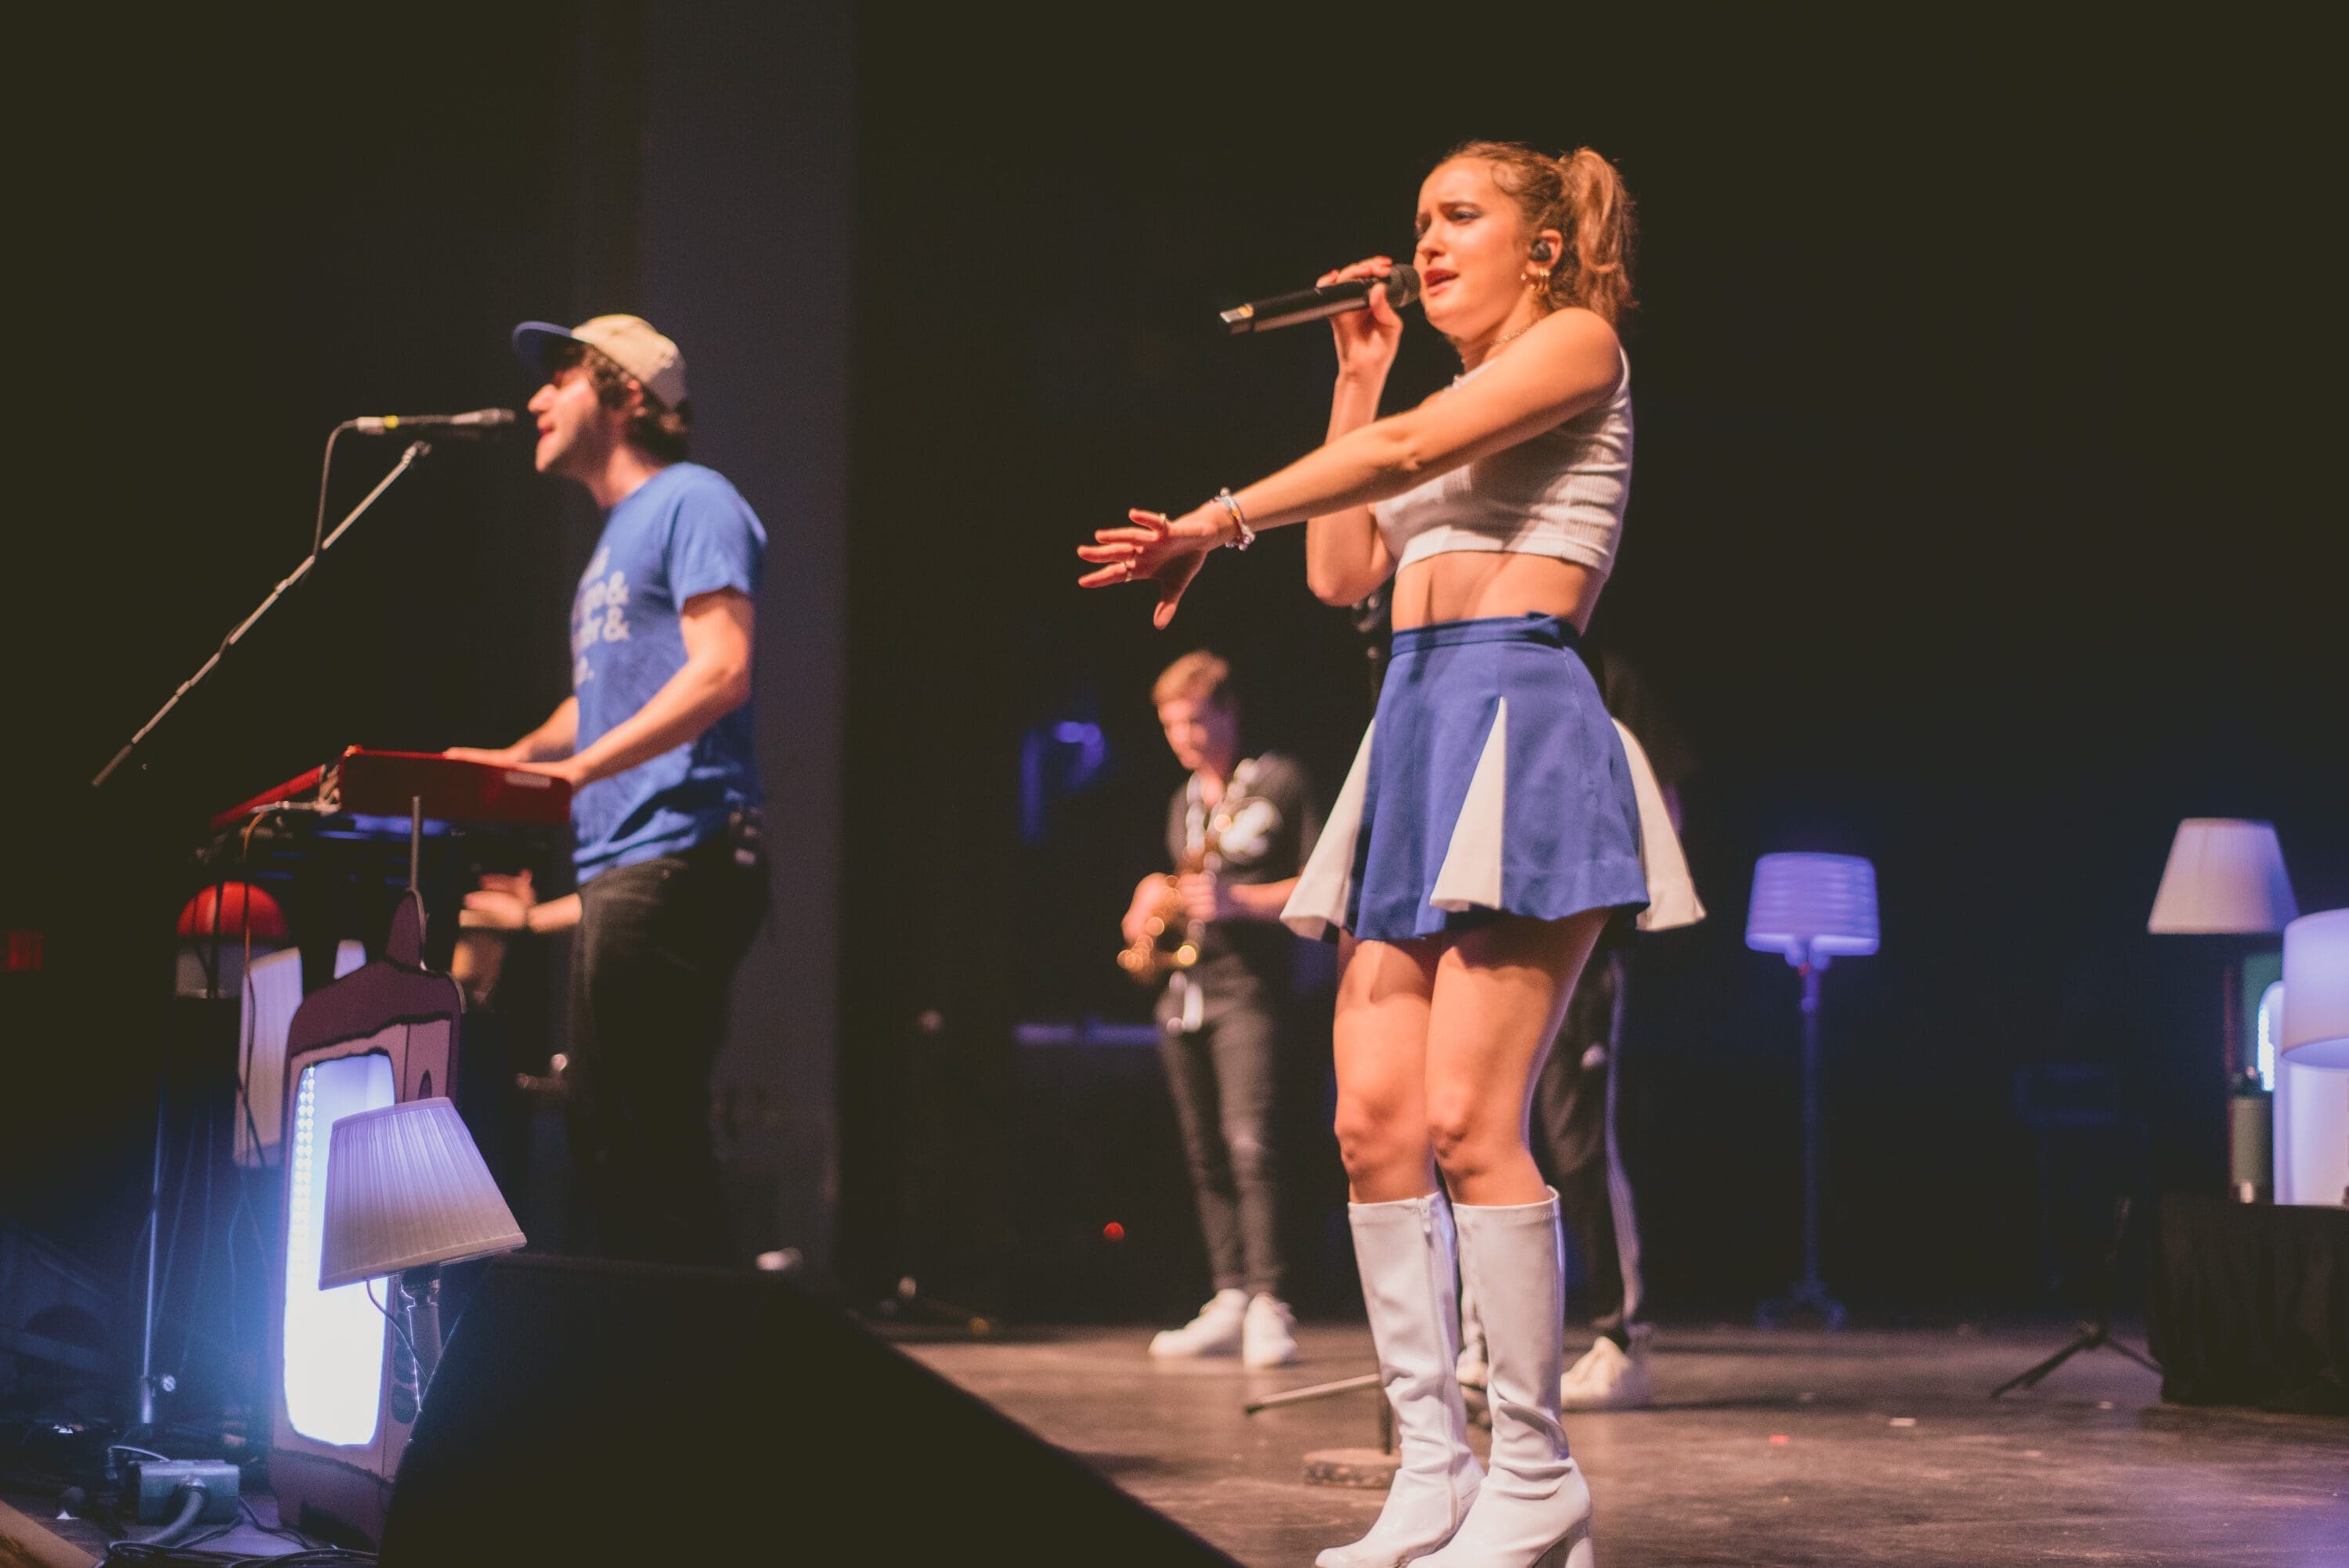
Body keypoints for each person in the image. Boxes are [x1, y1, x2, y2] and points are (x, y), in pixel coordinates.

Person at [1081, 142, 1652, 1568]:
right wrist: (1358, 373)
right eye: (1420, 221)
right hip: (1413, 725)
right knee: (1373, 1123)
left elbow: (1402, 459)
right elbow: (1344, 568)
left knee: (1471, 1118)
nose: (1429, 241)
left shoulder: (1578, 345)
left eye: (1461, 217)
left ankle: (1536, 1473)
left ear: (1543, 246)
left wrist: (1216, 516)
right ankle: (1434, 1469)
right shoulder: (1440, 397)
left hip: (1516, 713)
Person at [448, 313, 769, 1267]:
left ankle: (699, 1345)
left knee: (641, 1136)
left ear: (627, 395)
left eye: (561, 378)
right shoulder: (615, 539)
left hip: (680, 846)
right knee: (611, 1134)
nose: (535, 399)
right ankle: (673, 1342)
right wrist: (511, 756)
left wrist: (579, 769)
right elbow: (604, 694)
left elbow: (722, 670)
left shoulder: (694, 499)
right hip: (628, 856)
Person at [1455, 644, 1705, 1413]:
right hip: (1489, 926)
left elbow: (1660, 803)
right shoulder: (1477, 667)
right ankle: (1484, 1340)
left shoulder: (1602, 671)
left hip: (1577, 933)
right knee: (1478, 1130)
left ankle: (1618, 1338)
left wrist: (1614, 904)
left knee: (1578, 1140)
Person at [1120, 651, 1319, 1368]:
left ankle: (1271, 1301)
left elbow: (1326, 884)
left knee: (1251, 1143)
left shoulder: (1280, 781)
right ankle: (1229, 1294)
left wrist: (1242, 901)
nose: (1184, 737)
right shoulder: (1184, 799)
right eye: (1171, 724)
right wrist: (1149, 898)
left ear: (1230, 712)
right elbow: (1177, 888)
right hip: (1185, 994)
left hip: (1249, 993)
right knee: (1205, 1154)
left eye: (1196, 721)